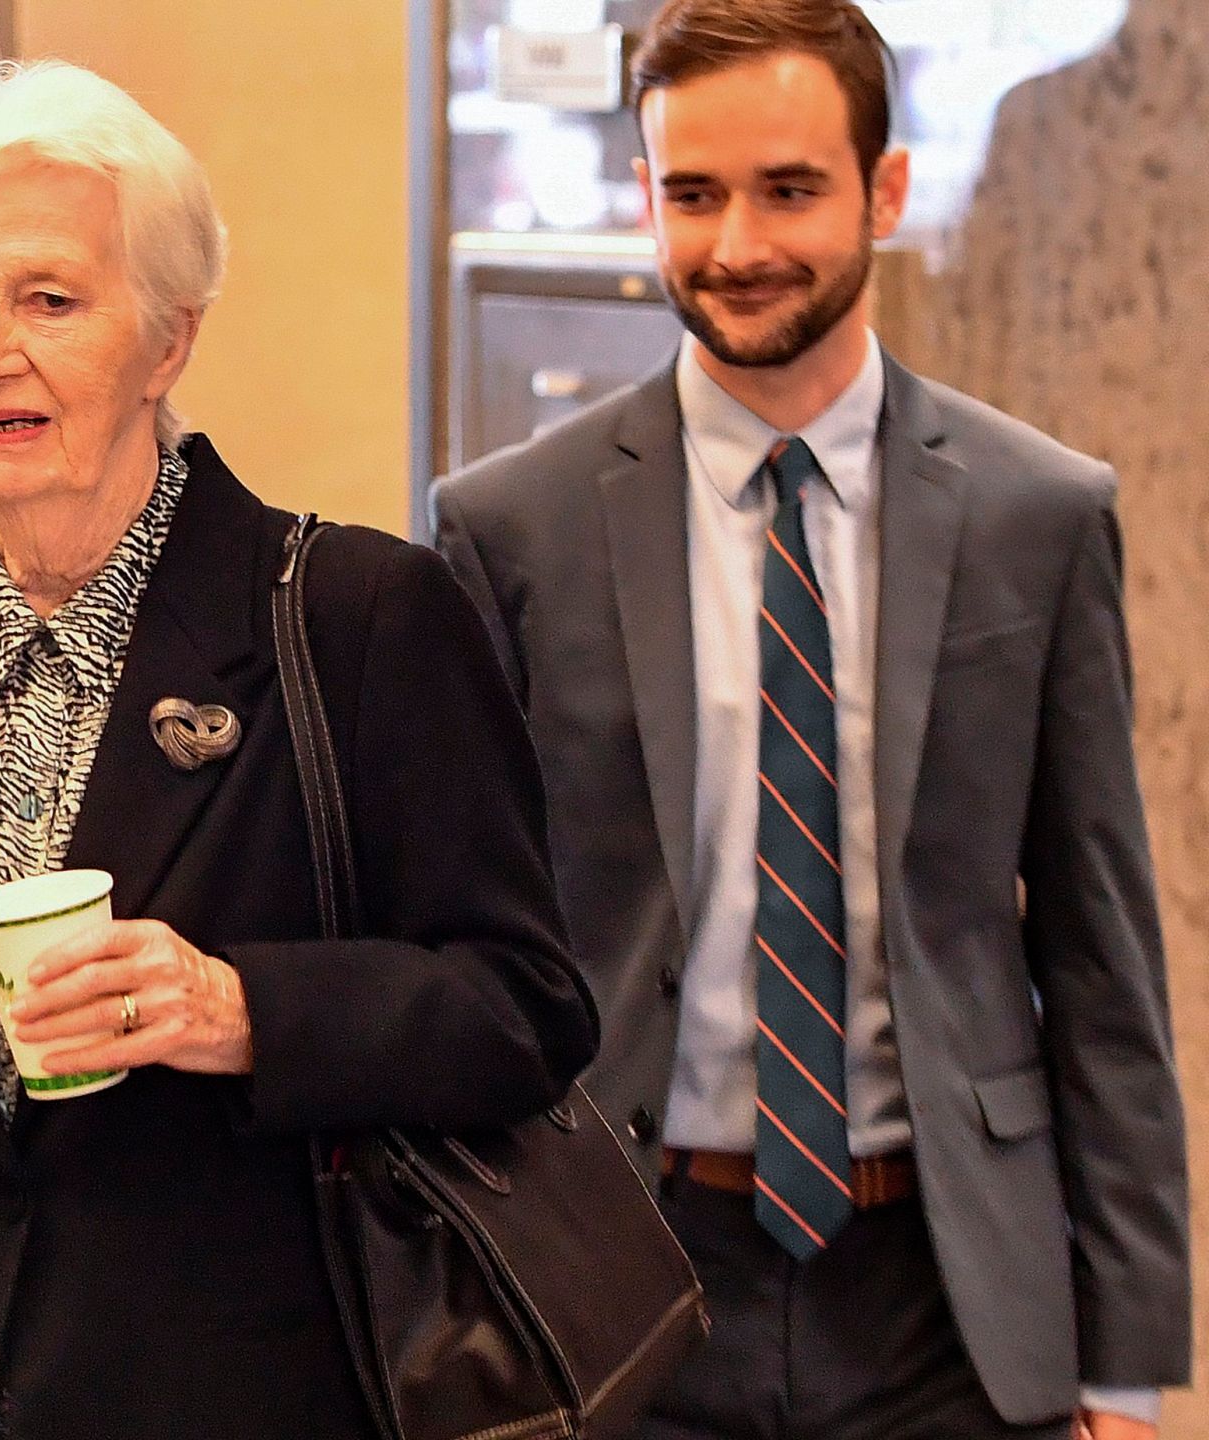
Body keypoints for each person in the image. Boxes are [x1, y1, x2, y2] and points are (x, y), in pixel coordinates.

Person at [0, 60, 598, 1440]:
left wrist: (239, 1008)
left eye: (51, 299)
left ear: (168, 340)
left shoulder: (359, 617)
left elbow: (525, 1011)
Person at [431, 3, 1189, 1437]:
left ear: (882, 192)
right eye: (694, 194)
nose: (736, 246)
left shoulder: (1040, 517)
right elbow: (467, 952)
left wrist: (1126, 1364)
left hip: (945, 1297)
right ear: (645, 194)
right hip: (619, 1271)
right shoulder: (508, 530)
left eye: (788, 190)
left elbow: (1103, 957)